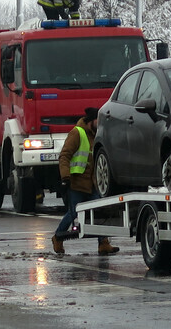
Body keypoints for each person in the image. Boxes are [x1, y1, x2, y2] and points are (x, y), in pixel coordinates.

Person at [51, 107, 119, 255]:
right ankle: (58, 237)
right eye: (98, 120)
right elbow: (64, 156)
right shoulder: (77, 133)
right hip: (76, 182)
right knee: (73, 213)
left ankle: (103, 243)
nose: (100, 123)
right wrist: (65, 177)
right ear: (91, 121)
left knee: (98, 212)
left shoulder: (96, 135)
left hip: (92, 183)